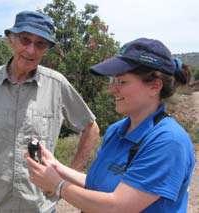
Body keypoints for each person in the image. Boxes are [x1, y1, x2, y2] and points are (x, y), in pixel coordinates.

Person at [26, 38, 196, 212]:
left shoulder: (168, 141)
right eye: (113, 81)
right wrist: (56, 166)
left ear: (154, 86)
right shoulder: (117, 130)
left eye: (122, 82)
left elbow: (118, 206)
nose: (112, 90)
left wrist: (58, 185)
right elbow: (98, 186)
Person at [0, 10, 99, 213]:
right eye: (25, 40)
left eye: (40, 44)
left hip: (37, 205)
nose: (31, 50)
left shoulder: (56, 84)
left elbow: (91, 128)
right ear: (11, 40)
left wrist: (65, 179)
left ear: (46, 49)